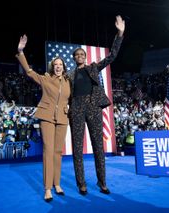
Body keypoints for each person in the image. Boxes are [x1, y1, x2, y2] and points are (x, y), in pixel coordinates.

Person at [68, 15, 125, 195]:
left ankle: (102, 183)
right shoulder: (68, 75)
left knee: (98, 147)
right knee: (77, 148)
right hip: (76, 108)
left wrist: (120, 33)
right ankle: (81, 184)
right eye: (77, 54)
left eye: (82, 54)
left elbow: (112, 56)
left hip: (93, 107)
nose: (80, 56)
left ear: (85, 57)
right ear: (74, 58)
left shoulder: (93, 68)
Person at [16, 35, 71, 202]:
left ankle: (57, 184)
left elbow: (74, 97)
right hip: (46, 116)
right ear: (52, 66)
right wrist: (20, 51)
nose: (58, 67)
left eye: (60, 65)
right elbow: (29, 71)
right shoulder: (45, 78)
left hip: (62, 117)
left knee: (58, 152)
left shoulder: (69, 81)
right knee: (48, 150)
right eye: (56, 65)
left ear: (64, 66)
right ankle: (48, 188)